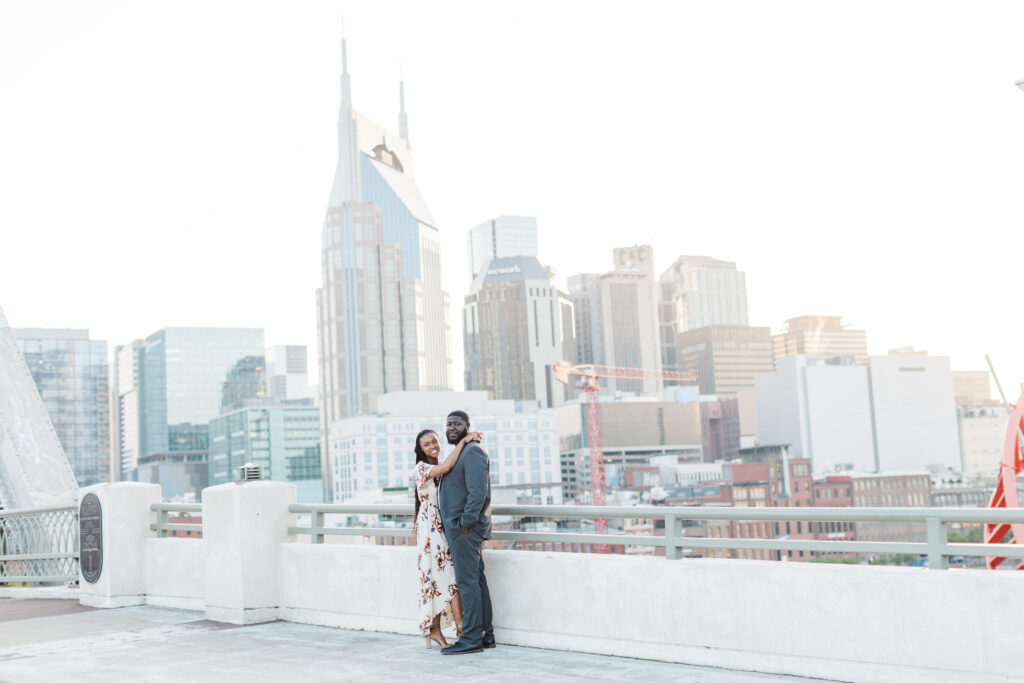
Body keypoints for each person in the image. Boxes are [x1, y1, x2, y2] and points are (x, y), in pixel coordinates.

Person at [413, 427, 481, 649]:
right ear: (420, 449)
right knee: (446, 575)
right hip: (429, 528)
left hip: (439, 525)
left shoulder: (436, 465)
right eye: (427, 444)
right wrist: (464, 441)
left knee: (437, 578)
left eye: (435, 441)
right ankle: (458, 627)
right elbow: (448, 466)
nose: (433, 446)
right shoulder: (422, 468)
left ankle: (438, 629)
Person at [437, 410, 494, 655]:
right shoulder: (462, 451)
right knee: (476, 581)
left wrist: (465, 523)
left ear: (467, 426)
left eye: (457, 424)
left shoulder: (472, 452)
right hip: (462, 528)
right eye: (448, 424)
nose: (451, 427)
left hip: (465, 530)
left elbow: (477, 493)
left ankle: (470, 639)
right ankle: (486, 635)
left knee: (467, 583)